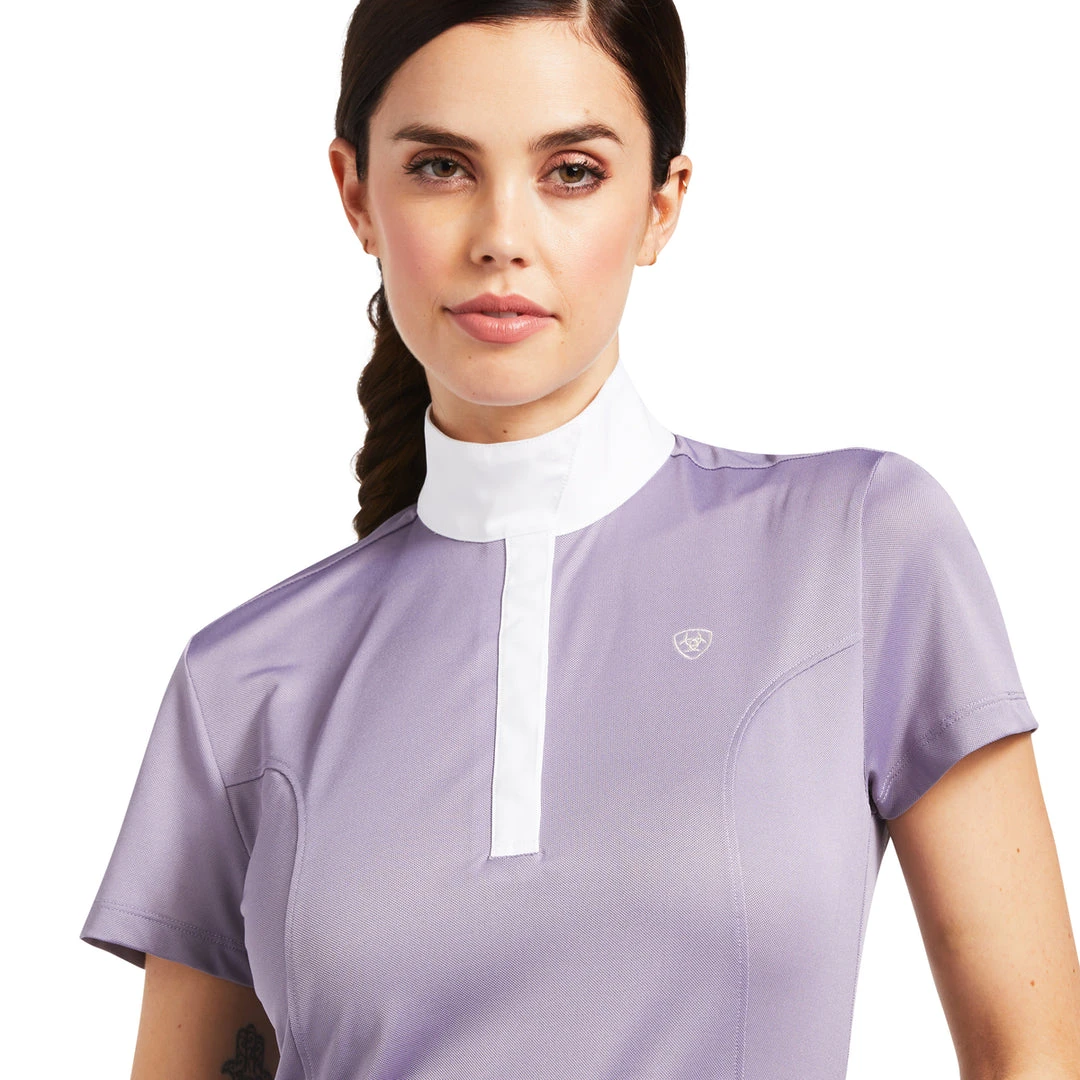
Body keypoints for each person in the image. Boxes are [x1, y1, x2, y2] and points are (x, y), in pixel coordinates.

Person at [80, 1, 1080, 1077]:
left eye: (571, 172)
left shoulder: (858, 548)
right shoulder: (241, 684)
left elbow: (1034, 1054)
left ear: (661, 204)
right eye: (441, 167)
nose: (501, 236)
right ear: (356, 193)